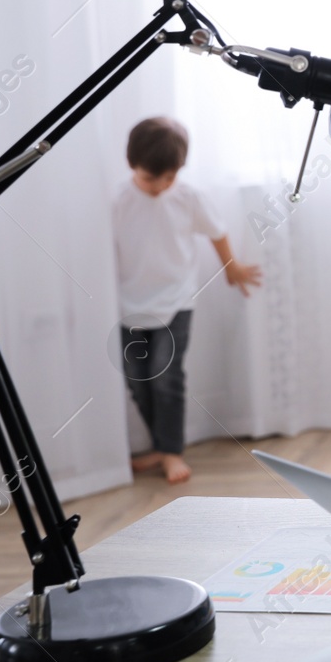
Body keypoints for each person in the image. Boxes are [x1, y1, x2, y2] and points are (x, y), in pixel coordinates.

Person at [114, 117, 262, 484]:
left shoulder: (187, 197)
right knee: (137, 381)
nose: (160, 187)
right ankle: (160, 445)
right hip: (129, 304)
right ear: (133, 165)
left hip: (176, 302)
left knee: (166, 378)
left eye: (169, 178)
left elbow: (217, 230)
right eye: (152, 179)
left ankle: (171, 452)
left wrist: (232, 267)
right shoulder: (118, 201)